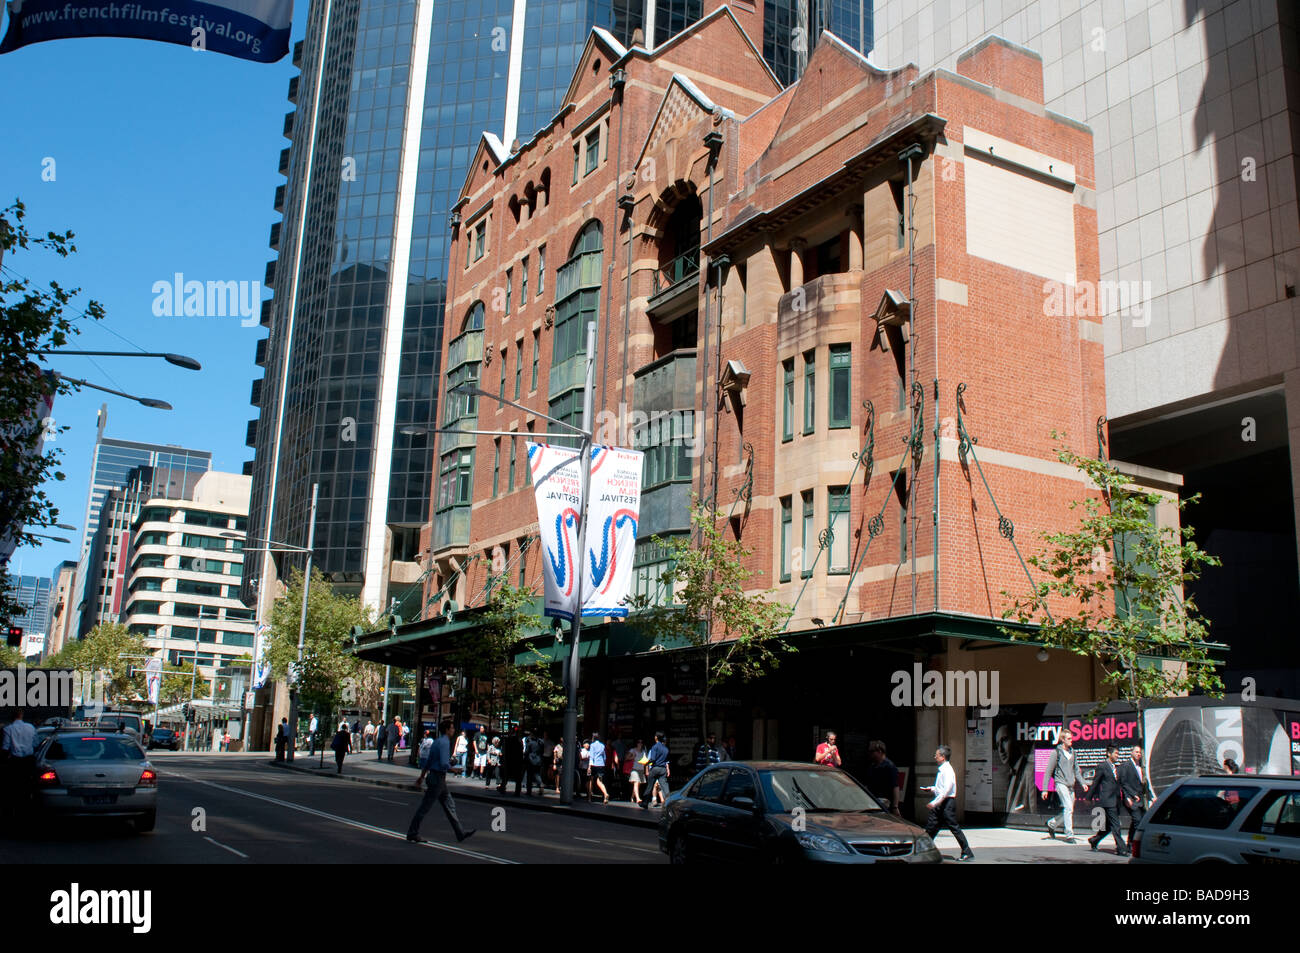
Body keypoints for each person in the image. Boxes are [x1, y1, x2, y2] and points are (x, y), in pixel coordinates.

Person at [408, 720, 476, 845]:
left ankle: (460, 833)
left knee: (449, 804)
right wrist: (455, 768)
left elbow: (429, 761)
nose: (453, 730)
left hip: (436, 778)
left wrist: (421, 777)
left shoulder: (436, 742)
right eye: (451, 728)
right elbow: (444, 763)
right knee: (425, 807)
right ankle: (412, 832)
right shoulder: (445, 743)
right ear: (446, 730)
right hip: (438, 779)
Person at [920, 745, 974, 861]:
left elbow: (946, 790)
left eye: (937, 755)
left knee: (954, 828)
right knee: (931, 827)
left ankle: (967, 852)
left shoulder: (948, 770)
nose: (935, 757)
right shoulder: (942, 770)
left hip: (946, 804)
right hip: (942, 803)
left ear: (943, 757)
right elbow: (941, 788)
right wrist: (931, 788)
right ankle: (923, 850)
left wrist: (935, 803)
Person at [1085, 745, 1129, 856]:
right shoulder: (1102, 766)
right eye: (1116, 753)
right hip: (1107, 800)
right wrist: (1089, 797)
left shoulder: (1116, 768)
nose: (1117, 756)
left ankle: (1094, 840)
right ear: (1109, 754)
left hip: (1116, 801)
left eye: (1118, 754)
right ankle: (1121, 848)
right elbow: (1096, 783)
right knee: (1116, 825)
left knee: (1110, 825)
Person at [1042, 728, 1080, 843]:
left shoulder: (1073, 752)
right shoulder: (1056, 753)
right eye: (1068, 739)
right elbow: (1048, 771)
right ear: (1062, 740)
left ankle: (1052, 823)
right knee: (1068, 807)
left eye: (1071, 738)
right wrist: (1044, 789)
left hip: (1070, 785)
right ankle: (1069, 835)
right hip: (1060, 783)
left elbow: (1077, 770)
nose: (1071, 741)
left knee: (1069, 809)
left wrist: (1083, 783)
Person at [2, 708, 38, 822]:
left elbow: (5, 746)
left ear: (12, 716)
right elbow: (36, 743)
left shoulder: (8, 729)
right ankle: (26, 811)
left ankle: (13, 812)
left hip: (15, 762)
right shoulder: (30, 728)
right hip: (28, 761)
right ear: (22, 715)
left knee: (13, 788)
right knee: (27, 787)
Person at [1117, 745, 1152, 844]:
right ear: (1131, 753)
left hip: (1141, 800)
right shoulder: (1126, 766)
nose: (1138, 754)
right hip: (1131, 799)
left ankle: (1130, 843)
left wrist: (1151, 797)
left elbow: (1144, 783)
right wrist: (1129, 796)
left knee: (1139, 821)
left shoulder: (1141, 767)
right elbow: (1124, 783)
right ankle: (1137, 844)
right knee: (1137, 821)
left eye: (1140, 752)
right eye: (1136, 752)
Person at [864, 740, 903, 816]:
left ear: (880, 751)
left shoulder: (889, 767)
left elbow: (895, 787)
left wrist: (895, 807)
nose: (870, 754)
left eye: (872, 751)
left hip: (885, 805)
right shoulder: (872, 766)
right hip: (873, 803)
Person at [640, 732, 671, 810]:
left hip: (655, 768)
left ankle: (645, 802)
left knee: (650, 786)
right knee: (664, 786)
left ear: (656, 737)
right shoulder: (665, 748)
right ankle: (670, 802)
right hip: (663, 769)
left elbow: (653, 759)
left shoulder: (655, 747)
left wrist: (646, 763)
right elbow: (666, 760)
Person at [588, 733, 610, 803]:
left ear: (593, 738)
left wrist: (589, 767)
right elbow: (604, 757)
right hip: (601, 765)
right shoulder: (602, 745)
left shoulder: (592, 745)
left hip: (594, 765)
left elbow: (591, 756)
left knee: (591, 780)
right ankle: (605, 793)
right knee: (599, 781)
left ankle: (589, 797)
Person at [524, 730, 545, 796]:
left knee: (529, 776)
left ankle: (529, 791)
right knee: (537, 774)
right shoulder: (541, 742)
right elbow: (542, 751)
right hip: (538, 760)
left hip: (531, 760)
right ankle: (541, 783)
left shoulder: (530, 743)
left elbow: (527, 752)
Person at [626, 739, 646, 804]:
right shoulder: (633, 750)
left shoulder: (644, 751)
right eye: (638, 742)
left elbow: (645, 761)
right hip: (634, 769)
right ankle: (637, 798)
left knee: (638, 784)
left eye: (641, 742)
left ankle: (632, 797)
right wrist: (633, 757)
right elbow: (626, 758)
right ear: (636, 744)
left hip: (641, 769)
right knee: (636, 783)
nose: (640, 744)